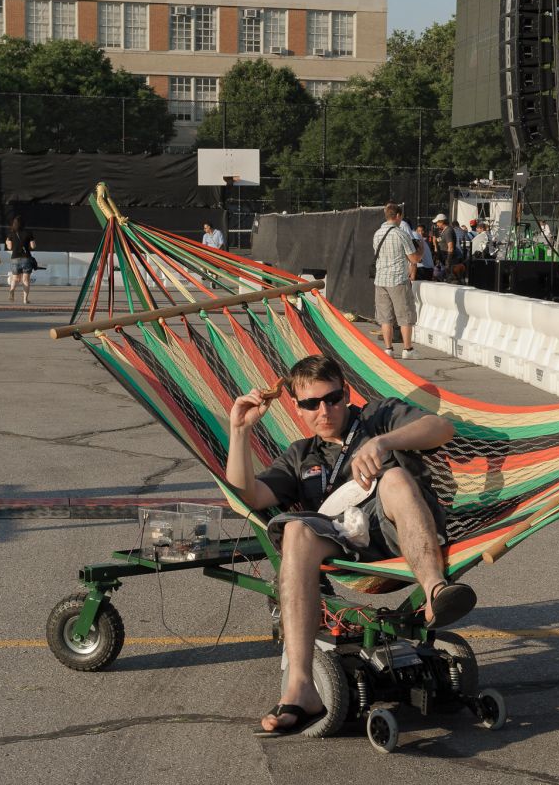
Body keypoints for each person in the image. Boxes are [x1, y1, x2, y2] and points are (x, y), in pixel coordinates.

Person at [226, 354, 474, 737]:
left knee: (392, 479)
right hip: (341, 543)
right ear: (297, 407)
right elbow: (246, 496)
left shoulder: (378, 417)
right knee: (295, 532)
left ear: (346, 395)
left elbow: (440, 428)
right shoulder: (300, 456)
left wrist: (382, 442)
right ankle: (301, 688)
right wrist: (239, 431)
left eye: (333, 398)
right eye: (311, 403)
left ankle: (435, 591)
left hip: (397, 529)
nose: (324, 410)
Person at [371, 202, 421, 359]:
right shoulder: (400, 234)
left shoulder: (377, 233)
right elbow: (414, 258)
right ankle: (408, 349)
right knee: (404, 316)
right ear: (398, 216)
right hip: (398, 279)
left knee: (385, 317)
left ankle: (388, 348)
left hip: (380, 279)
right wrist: (422, 248)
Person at [6, 215, 36, 304]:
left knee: (15, 278)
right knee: (26, 280)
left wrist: (7, 242)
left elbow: (10, 247)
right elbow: (33, 246)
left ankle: (12, 290)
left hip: (15, 258)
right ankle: (25, 300)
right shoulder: (28, 233)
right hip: (26, 258)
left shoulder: (11, 233)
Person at [433, 213, 455, 282]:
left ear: (442, 222)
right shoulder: (444, 231)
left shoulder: (448, 231)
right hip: (443, 259)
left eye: (437, 222)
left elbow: (450, 247)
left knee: (448, 279)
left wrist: (448, 261)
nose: (437, 224)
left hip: (447, 260)